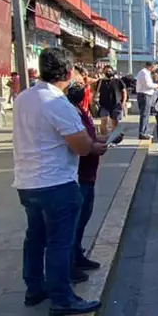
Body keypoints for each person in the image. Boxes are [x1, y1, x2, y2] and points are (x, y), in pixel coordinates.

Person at [12, 47, 105, 316]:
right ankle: (62, 298)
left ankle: (34, 288)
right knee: (59, 243)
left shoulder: (24, 97)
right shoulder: (57, 103)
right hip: (56, 183)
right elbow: (81, 146)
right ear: (67, 72)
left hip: (27, 183)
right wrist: (95, 147)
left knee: (35, 238)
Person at [65, 81, 107, 278]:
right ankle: (71, 263)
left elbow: (89, 136)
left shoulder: (81, 112)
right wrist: (93, 147)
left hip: (89, 173)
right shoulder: (70, 113)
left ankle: (78, 255)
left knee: (83, 219)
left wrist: (103, 140)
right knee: (75, 222)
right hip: (79, 175)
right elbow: (80, 144)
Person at [95, 66, 127, 137]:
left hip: (116, 104)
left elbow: (124, 92)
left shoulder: (118, 81)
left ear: (112, 71)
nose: (108, 72)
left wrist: (123, 102)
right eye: (106, 71)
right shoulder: (100, 82)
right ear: (103, 72)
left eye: (109, 71)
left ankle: (114, 138)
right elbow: (96, 92)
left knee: (115, 123)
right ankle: (104, 138)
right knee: (104, 121)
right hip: (103, 105)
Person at [134, 62, 158, 140]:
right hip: (144, 95)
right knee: (145, 115)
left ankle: (144, 132)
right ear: (151, 66)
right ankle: (142, 133)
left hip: (145, 95)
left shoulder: (146, 73)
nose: (154, 69)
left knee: (146, 114)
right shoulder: (144, 73)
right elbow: (148, 85)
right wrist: (157, 85)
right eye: (154, 67)